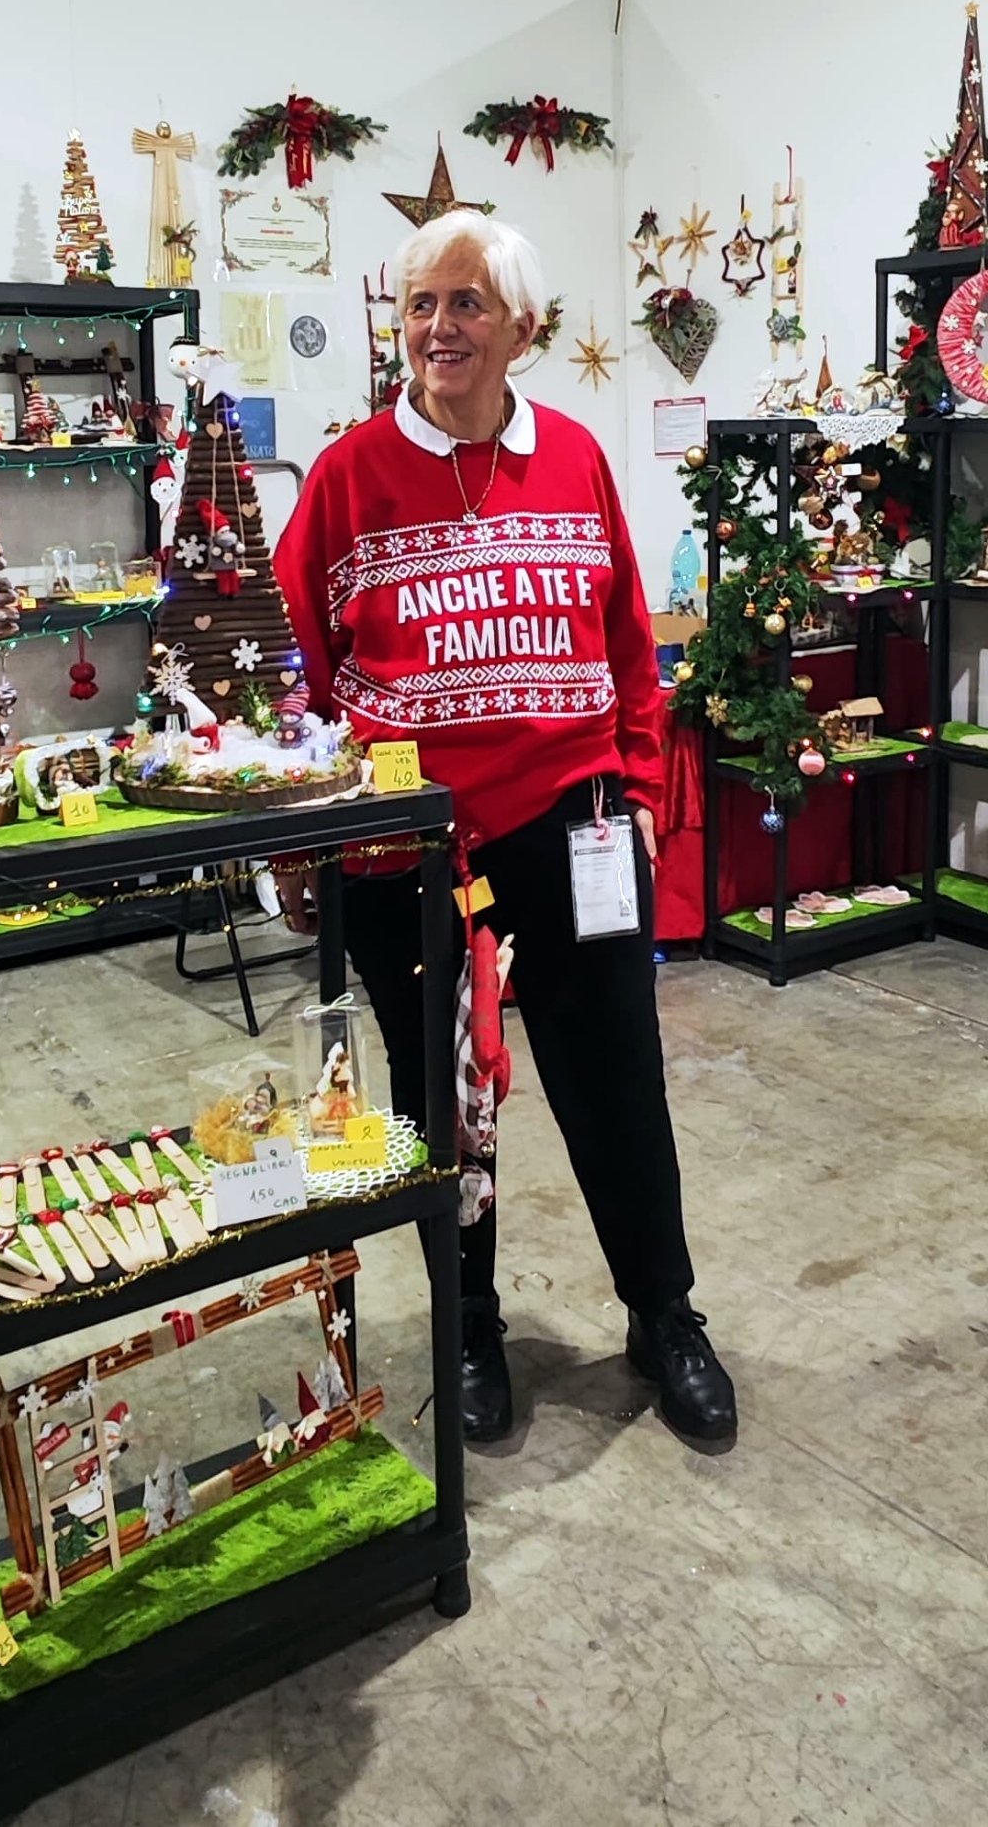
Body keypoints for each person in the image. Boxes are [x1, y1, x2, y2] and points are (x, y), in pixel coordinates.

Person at [275, 208, 735, 1450]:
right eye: (420, 304)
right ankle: (468, 1327)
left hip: (571, 818)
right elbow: (292, 668)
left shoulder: (574, 457)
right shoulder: (347, 474)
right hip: (405, 842)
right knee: (442, 1098)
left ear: (519, 326)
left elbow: (627, 644)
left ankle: (663, 1316)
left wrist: (639, 796)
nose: (438, 327)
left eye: (465, 302)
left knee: (615, 1076)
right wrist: (300, 834)